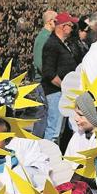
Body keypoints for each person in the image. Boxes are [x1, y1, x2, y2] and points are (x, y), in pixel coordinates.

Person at [41, 12, 81, 143]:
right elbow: (49, 72)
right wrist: (64, 86)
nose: (72, 28)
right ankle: (47, 158)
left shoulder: (63, 44)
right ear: (62, 27)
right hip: (55, 92)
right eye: (71, 25)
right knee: (54, 130)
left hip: (62, 92)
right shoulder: (52, 44)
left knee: (60, 129)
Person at [32, 10, 57, 83]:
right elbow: (40, 63)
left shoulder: (50, 36)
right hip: (44, 83)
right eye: (57, 21)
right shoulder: (43, 38)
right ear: (50, 21)